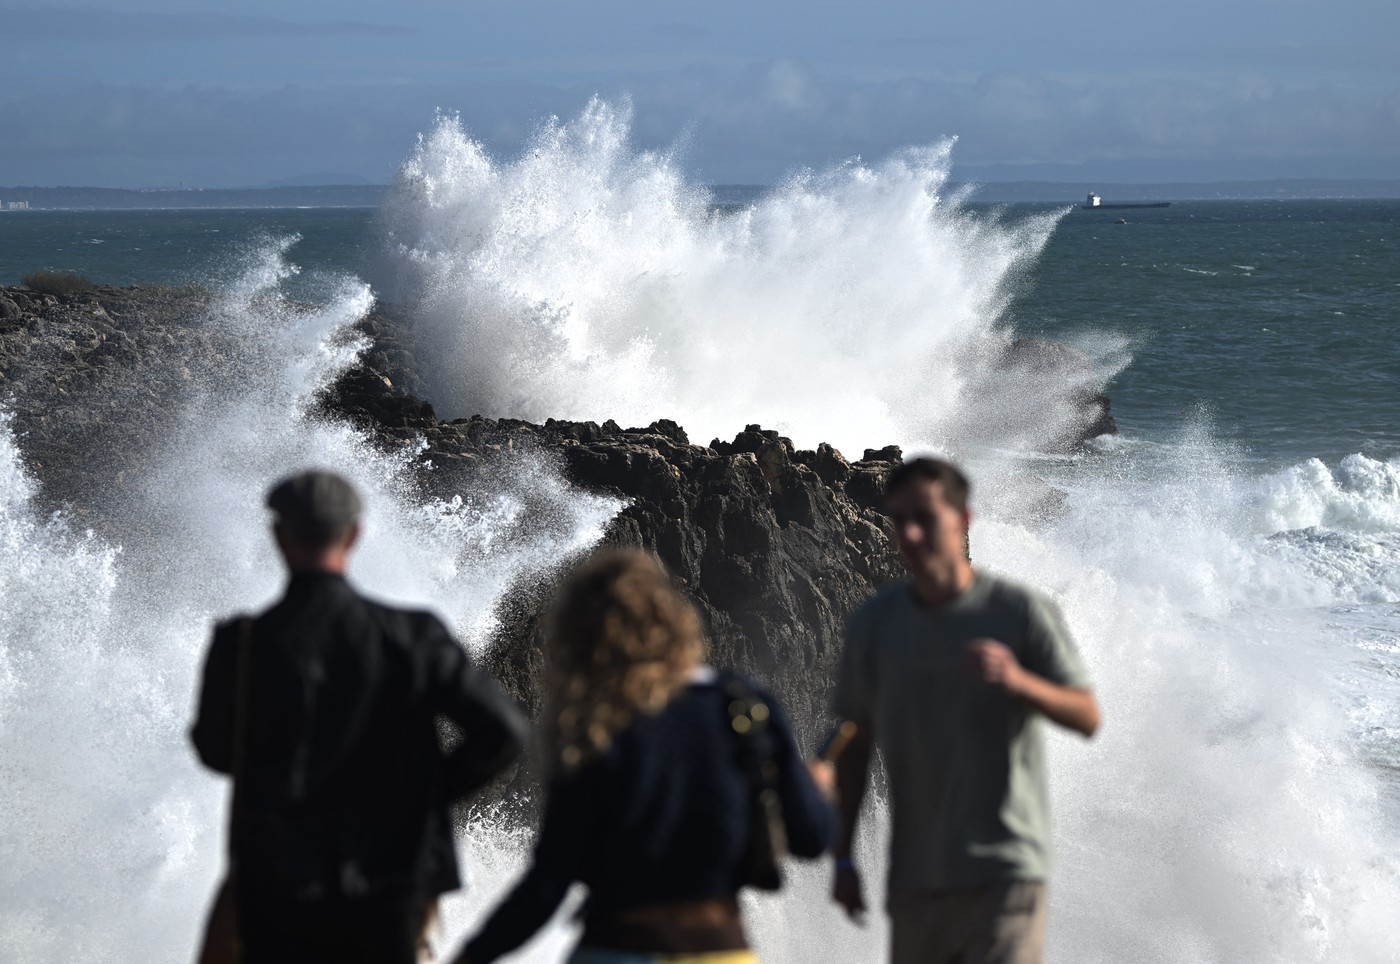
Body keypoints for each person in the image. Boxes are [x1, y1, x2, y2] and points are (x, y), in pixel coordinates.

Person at [191, 469, 528, 964]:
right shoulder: (412, 635)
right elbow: (503, 731)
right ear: (353, 536)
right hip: (389, 883)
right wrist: (421, 796)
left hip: (280, 888)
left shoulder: (241, 644)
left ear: (279, 536)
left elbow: (217, 752)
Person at [450, 548, 835, 964]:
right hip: (717, 950)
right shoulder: (743, 706)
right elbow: (810, 838)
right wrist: (817, 788)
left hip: (614, 951)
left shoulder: (593, 729)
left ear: (576, 640)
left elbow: (548, 883)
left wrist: (470, 957)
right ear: (675, 621)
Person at [831, 457, 1100, 964]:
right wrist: (843, 858)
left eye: (925, 518)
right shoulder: (875, 623)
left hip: (1005, 874)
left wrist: (1019, 681)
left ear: (963, 520)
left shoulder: (1018, 611)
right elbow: (855, 743)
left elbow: (1085, 714)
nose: (911, 534)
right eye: (900, 520)